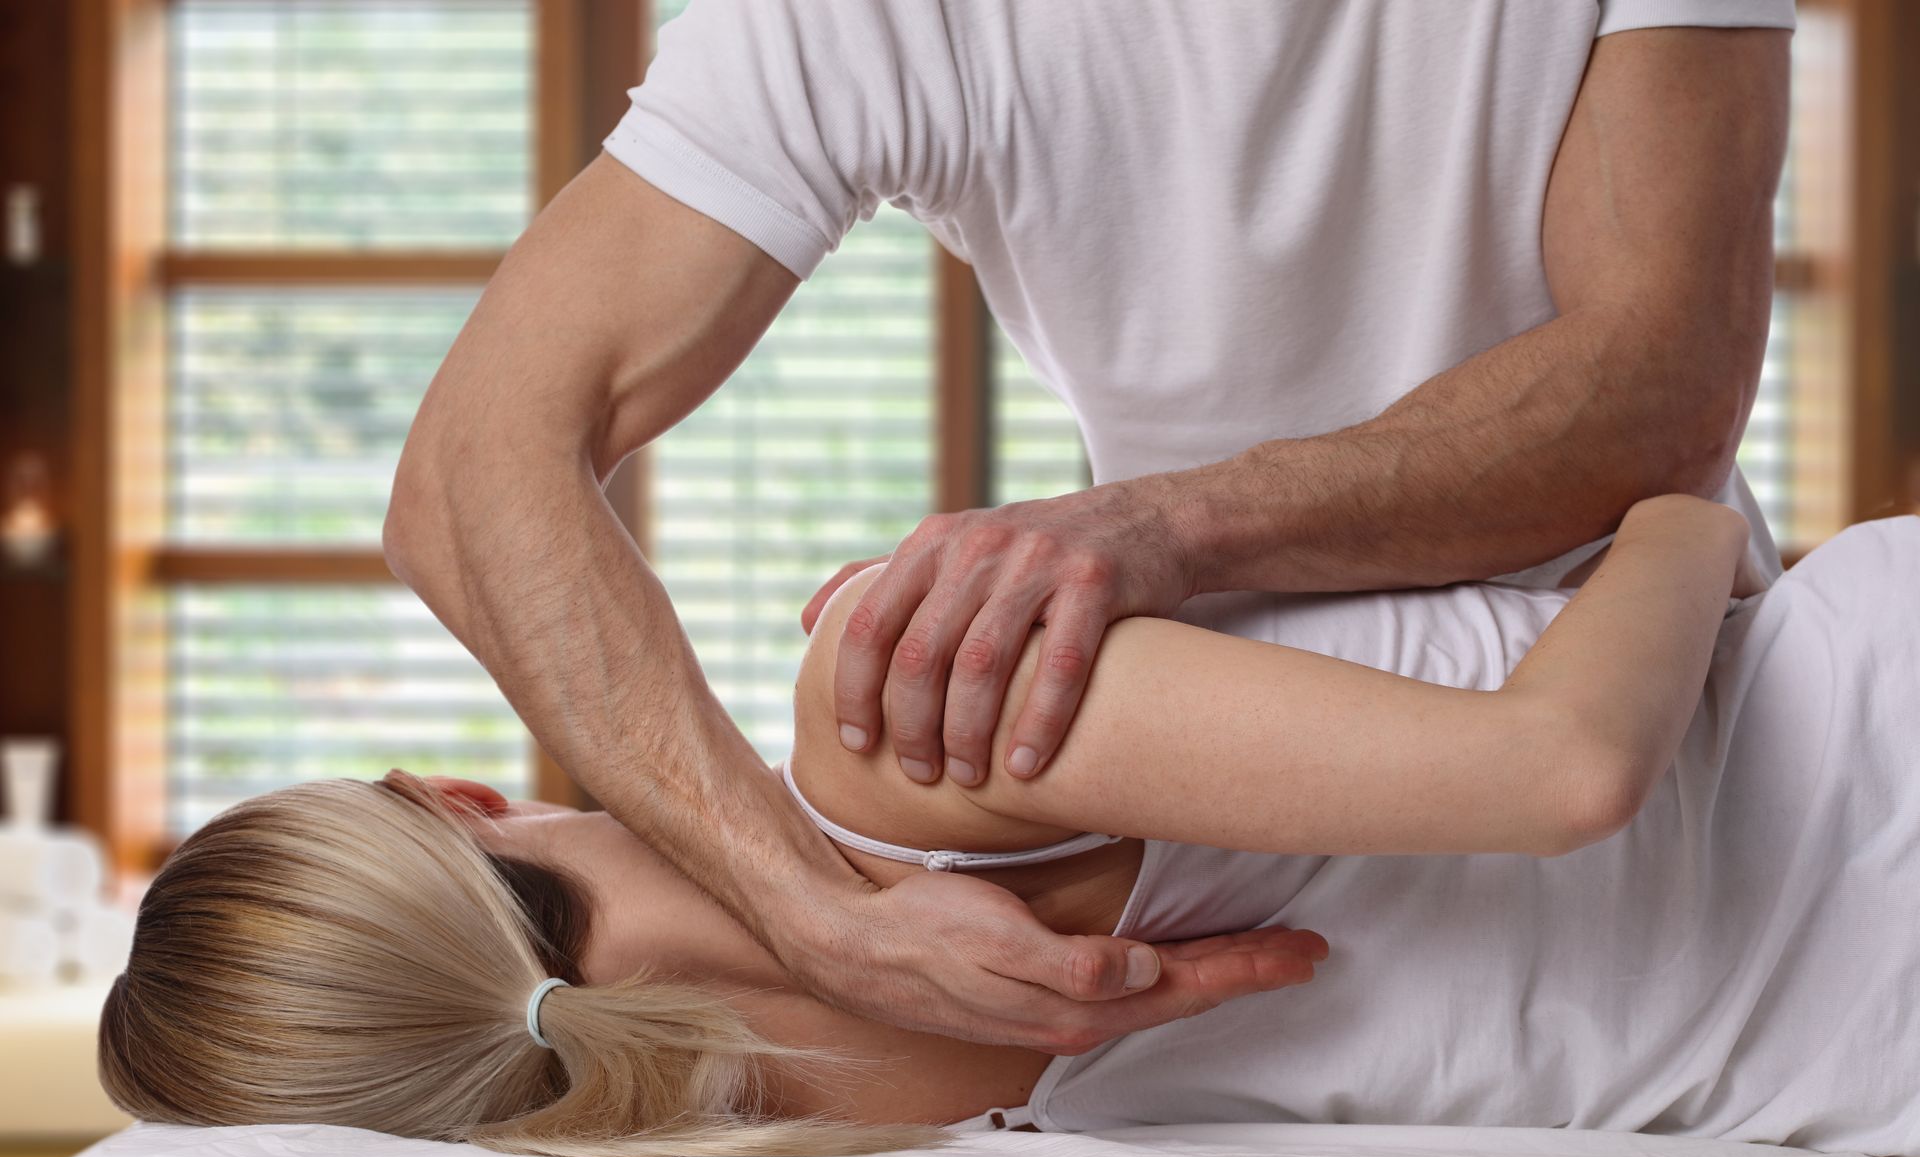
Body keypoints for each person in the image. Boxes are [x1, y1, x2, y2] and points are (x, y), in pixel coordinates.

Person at [382, 2, 1796, 1051]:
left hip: (1678, 689)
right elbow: (472, 472)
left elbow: (1665, 386)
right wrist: (813, 918)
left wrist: (1166, 525)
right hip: (1223, 752)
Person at [101, 498, 1920, 1157]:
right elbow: (1562, 777)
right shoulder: (888, 734)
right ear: (454, 794)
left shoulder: (837, 1151)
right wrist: (1676, 498)